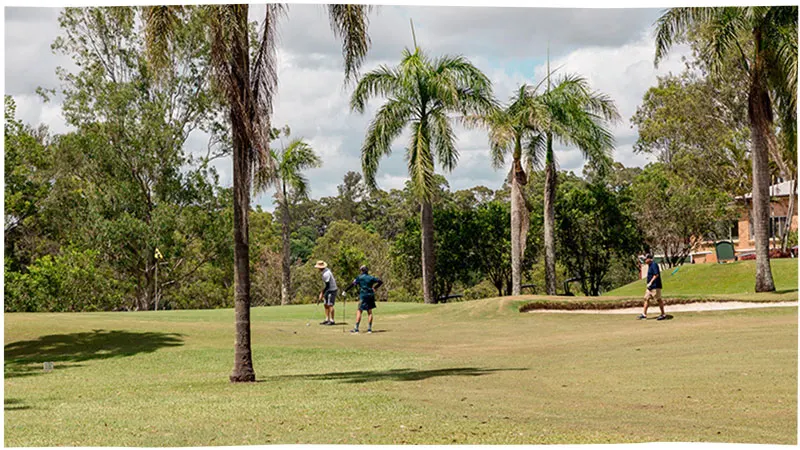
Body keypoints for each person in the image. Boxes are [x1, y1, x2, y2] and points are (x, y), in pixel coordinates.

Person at [343, 265, 383, 334]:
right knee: (369, 312)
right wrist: (375, 288)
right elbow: (380, 282)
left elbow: (352, 284)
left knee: (359, 311)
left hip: (363, 296)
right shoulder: (371, 277)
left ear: (362, 271)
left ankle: (356, 328)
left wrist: (345, 290)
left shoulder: (359, 277)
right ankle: (369, 329)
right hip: (370, 295)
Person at [639, 254, 666, 321]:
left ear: (650, 259)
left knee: (658, 299)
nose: (645, 260)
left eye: (646, 259)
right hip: (650, 287)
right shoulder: (650, 265)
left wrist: (650, 282)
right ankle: (644, 314)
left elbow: (656, 274)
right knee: (646, 298)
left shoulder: (654, 265)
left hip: (655, 286)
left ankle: (663, 314)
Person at [315, 260, 337, 325]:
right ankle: (327, 319)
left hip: (332, 290)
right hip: (328, 290)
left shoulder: (326, 274)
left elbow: (328, 286)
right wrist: (323, 293)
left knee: (330, 304)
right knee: (325, 304)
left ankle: (332, 320)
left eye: (318, 267)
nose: (318, 268)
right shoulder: (324, 271)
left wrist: (322, 293)